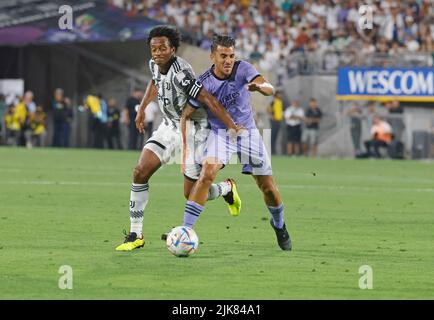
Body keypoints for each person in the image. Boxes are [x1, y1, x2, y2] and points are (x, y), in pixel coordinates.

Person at [115, 26, 242, 251]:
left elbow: (207, 99)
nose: (157, 53)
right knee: (140, 171)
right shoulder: (154, 64)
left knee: (190, 194)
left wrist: (231, 126)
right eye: (154, 49)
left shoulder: (182, 73)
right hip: (170, 126)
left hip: (194, 130)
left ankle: (226, 189)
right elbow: (154, 81)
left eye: (162, 48)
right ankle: (136, 233)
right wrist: (142, 108)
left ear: (172, 49)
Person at [179, 34, 292, 251]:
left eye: (231, 55)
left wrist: (259, 88)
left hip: (248, 133)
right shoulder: (204, 82)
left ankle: (279, 225)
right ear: (212, 56)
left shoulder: (244, 69)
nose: (228, 60)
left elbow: (268, 87)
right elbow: (187, 113)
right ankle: (185, 230)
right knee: (208, 172)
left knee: (267, 188)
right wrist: (185, 146)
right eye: (223, 56)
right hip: (221, 134)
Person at [267, 90, 284, 155]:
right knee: (273, 136)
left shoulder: (280, 101)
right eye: (279, 94)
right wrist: (271, 116)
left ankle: (274, 151)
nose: (280, 95)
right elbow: (268, 109)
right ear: (276, 95)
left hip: (279, 120)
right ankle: (272, 151)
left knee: (276, 136)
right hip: (274, 121)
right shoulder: (273, 101)